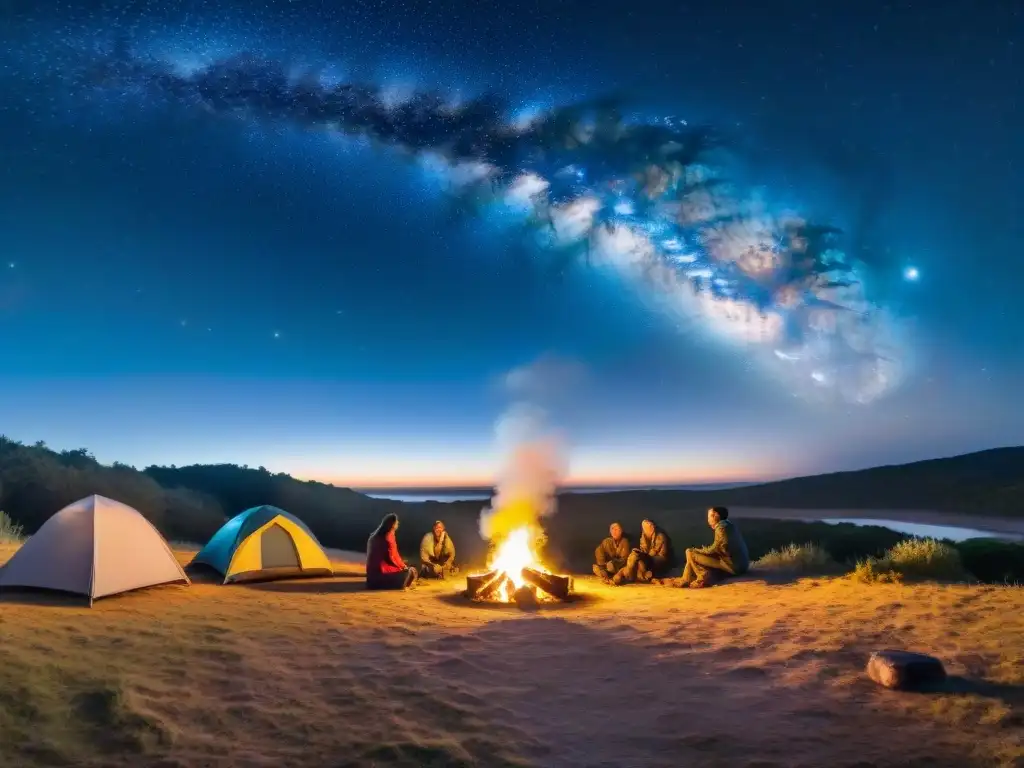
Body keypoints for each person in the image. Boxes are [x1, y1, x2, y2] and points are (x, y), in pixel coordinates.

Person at [679, 506, 750, 588]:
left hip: (733, 567)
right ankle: (686, 579)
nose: (708, 519)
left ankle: (701, 579)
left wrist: (699, 550)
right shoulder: (729, 525)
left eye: (709, 516)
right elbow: (722, 548)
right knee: (691, 553)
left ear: (716, 516)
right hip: (742, 565)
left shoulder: (721, 528)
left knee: (690, 552)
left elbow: (715, 549)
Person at [366, 513, 418, 590]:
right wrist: (404, 567)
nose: (398, 523)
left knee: (407, 567)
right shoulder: (388, 537)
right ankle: (403, 584)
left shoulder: (374, 536)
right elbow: (392, 557)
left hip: (371, 578)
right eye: (397, 522)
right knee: (411, 571)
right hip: (381, 574)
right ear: (393, 524)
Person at [614, 518, 673, 584]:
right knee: (635, 557)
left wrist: (643, 556)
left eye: (646, 528)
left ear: (652, 527)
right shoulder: (644, 536)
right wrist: (641, 555)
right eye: (644, 528)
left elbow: (655, 553)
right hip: (648, 559)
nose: (644, 530)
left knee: (637, 559)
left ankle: (635, 575)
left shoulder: (660, 536)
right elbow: (643, 548)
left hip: (659, 560)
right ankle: (631, 574)